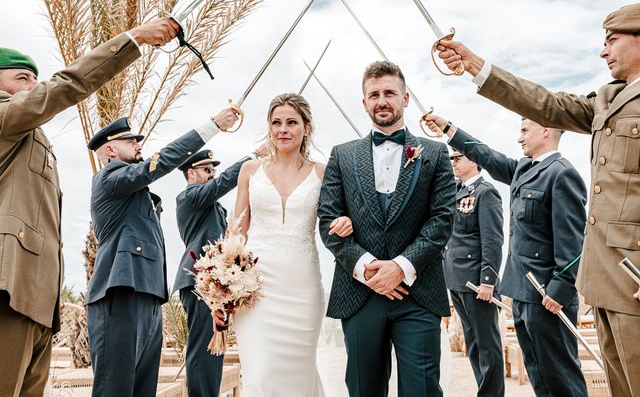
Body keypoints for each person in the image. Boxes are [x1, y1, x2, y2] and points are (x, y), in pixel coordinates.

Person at [437, 2, 640, 395]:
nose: (603, 51)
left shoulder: (560, 172)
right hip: (604, 277)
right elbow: (543, 102)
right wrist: (477, 66)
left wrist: (560, 287)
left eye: (612, 40)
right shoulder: (605, 101)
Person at [0, 18, 178, 396]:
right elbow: (69, 85)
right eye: (21, 79)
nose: (34, 86)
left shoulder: (30, 136)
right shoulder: (5, 119)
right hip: (9, 288)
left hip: (36, 298)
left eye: (35, 79)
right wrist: (134, 39)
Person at [318, 61, 456, 397]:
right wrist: (367, 269)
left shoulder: (435, 154)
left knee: (422, 389)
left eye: (389, 93)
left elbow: (442, 220)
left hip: (418, 291)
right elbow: (327, 222)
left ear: (405, 98)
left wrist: (400, 268)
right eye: (374, 94)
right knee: (364, 389)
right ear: (363, 102)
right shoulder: (342, 155)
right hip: (360, 294)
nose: (382, 100)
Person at [425, 114, 588, 397]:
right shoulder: (524, 169)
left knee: (561, 378)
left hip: (547, 295)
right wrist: (451, 130)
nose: (519, 137)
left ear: (546, 130)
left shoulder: (562, 173)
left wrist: (561, 288)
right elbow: (487, 156)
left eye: (525, 130)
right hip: (522, 292)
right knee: (540, 375)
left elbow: (573, 238)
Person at [85, 109, 239, 397]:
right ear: (109, 149)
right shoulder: (109, 178)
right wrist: (213, 125)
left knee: (143, 390)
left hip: (148, 294)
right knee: (115, 389)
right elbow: (160, 163)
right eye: (130, 141)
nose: (138, 145)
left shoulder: (134, 192)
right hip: (119, 293)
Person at [232, 93, 353, 396]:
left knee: (298, 377)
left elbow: (339, 218)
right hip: (255, 289)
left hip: (302, 287)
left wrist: (347, 222)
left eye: (291, 122)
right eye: (276, 123)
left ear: (306, 127)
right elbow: (235, 234)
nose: (282, 129)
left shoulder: (323, 172)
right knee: (258, 375)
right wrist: (223, 289)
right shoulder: (250, 171)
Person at [173, 145, 265, 397]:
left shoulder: (209, 204)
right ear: (191, 174)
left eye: (213, 169)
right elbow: (222, 183)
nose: (212, 173)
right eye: (206, 169)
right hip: (199, 282)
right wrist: (253, 157)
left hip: (216, 282)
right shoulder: (190, 196)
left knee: (215, 347)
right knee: (204, 347)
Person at [444, 151, 504, 397]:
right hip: (457, 280)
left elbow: (492, 240)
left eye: (458, 158)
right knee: (474, 344)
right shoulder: (455, 191)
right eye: (452, 158)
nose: (453, 162)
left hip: (477, 283)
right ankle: (484, 390)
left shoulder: (485, 192)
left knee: (488, 345)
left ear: (474, 161)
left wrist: (487, 281)